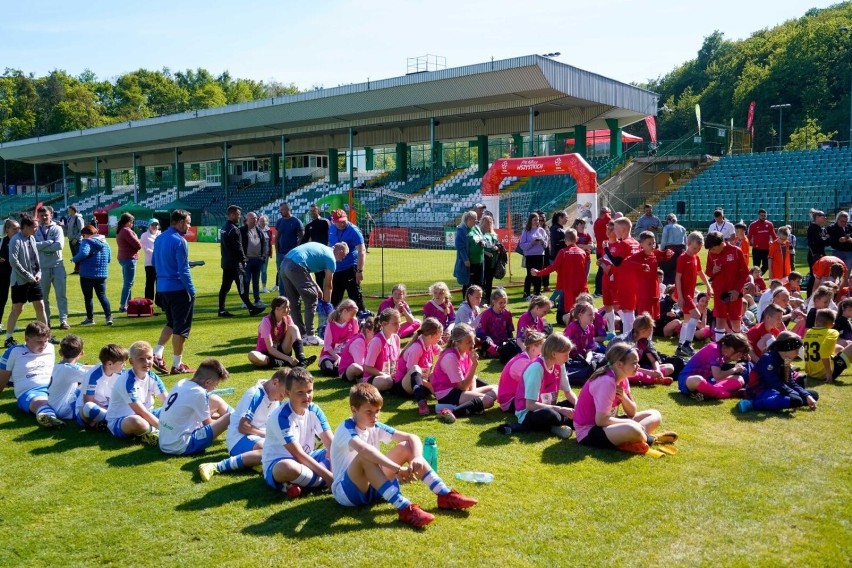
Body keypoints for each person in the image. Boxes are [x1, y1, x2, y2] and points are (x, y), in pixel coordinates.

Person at [329, 382, 478, 528]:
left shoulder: (373, 425)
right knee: (364, 456)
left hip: (374, 487)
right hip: (346, 494)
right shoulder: (346, 429)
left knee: (406, 447)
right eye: (369, 412)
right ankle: (404, 508)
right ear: (354, 410)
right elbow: (365, 451)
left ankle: (444, 494)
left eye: (377, 411)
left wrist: (418, 456)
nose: (375, 416)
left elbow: (411, 437)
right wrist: (397, 469)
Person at [572, 342, 675, 456]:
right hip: (589, 431)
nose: (638, 366)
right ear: (619, 364)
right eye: (634, 363)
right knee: (632, 428)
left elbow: (632, 412)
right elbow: (600, 421)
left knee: (655, 415)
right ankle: (651, 439)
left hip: (607, 423)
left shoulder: (623, 378)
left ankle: (633, 440)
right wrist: (630, 422)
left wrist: (624, 397)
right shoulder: (606, 381)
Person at [200, 368, 287, 482]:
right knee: (269, 449)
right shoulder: (255, 395)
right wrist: (267, 434)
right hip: (238, 439)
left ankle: (255, 463)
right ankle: (216, 466)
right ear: (275, 383)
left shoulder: (275, 396)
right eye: (283, 394)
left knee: (279, 448)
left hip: (255, 438)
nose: (284, 397)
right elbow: (243, 427)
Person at [261, 367, 334, 497]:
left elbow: (330, 443)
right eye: (300, 392)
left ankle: (305, 482)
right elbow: (298, 454)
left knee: (344, 448)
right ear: (288, 393)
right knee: (287, 467)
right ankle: (325, 479)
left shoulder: (315, 410)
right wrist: (329, 476)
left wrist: (336, 457)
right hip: (279, 464)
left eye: (309, 391)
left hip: (309, 457)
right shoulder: (281, 417)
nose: (307, 397)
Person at [152, 209, 196, 376]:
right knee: (181, 328)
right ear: (179, 222)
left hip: (163, 287)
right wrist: (191, 290)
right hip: (178, 289)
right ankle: (177, 364)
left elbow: (156, 262)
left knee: (171, 323)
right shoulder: (179, 241)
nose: (189, 225)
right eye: (188, 222)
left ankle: (157, 352)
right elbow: (183, 270)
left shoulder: (160, 238)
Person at [280, 241, 349, 346]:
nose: (343, 259)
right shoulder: (331, 259)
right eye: (344, 255)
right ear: (339, 251)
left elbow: (306, 268)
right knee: (311, 298)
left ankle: (301, 335)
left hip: (284, 264)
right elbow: (328, 286)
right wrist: (326, 306)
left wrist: (316, 286)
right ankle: (311, 335)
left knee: (294, 301)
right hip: (296, 266)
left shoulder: (322, 249)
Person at [158, 358, 231, 456]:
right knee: (231, 417)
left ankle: (245, 424)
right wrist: (223, 421)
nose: (215, 388)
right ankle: (245, 426)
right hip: (181, 445)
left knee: (215, 399)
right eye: (215, 385)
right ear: (208, 382)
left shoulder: (182, 382)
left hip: (165, 441)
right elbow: (208, 425)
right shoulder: (199, 393)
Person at [430, 323, 498, 423]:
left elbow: (470, 378)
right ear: (458, 343)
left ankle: (470, 405)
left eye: (473, 340)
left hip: (459, 390)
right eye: (468, 342)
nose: (473, 344)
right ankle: (450, 410)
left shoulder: (466, 352)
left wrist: (473, 392)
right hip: (447, 394)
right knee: (488, 401)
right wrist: (474, 365)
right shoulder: (451, 357)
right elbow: (463, 387)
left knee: (496, 388)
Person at [738, 332, 819, 413]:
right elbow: (773, 382)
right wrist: (793, 393)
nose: (798, 353)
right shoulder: (768, 358)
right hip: (758, 391)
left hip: (776, 390)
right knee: (796, 400)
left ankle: (787, 402)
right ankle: (751, 404)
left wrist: (806, 395)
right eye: (796, 350)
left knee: (813, 395)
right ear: (786, 348)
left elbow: (789, 381)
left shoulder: (786, 360)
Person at [514, 334, 576, 438]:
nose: (568, 358)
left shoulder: (560, 365)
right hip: (529, 413)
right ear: (554, 354)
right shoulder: (537, 368)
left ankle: (562, 424)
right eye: (565, 354)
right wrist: (561, 409)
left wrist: (579, 406)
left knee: (575, 405)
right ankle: (572, 422)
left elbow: (568, 392)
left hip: (549, 407)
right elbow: (530, 405)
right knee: (550, 414)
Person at [106, 340, 168, 445]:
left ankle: (151, 431)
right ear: (131, 361)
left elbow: (167, 401)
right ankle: (152, 433)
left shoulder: (153, 377)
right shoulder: (127, 381)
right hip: (122, 420)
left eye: (149, 358)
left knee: (176, 410)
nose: (147, 362)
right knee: (137, 422)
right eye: (141, 359)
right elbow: (141, 412)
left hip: (148, 414)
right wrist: (167, 431)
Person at [0, 321, 60, 426]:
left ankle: (94, 416)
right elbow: (2, 378)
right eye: (39, 341)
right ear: (27, 339)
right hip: (30, 392)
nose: (44, 345)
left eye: (45, 341)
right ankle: (49, 418)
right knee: (39, 402)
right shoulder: (13, 352)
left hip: (53, 387)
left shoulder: (50, 347)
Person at [6, 214, 48, 346]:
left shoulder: (32, 238)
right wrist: (28, 276)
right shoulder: (15, 240)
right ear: (27, 226)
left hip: (34, 280)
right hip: (20, 281)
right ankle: (8, 338)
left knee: (40, 306)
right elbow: (13, 261)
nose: (37, 229)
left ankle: (46, 336)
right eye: (35, 226)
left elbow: (36, 259)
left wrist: (39, 272)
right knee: (18, 309)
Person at [533, 228, 588, 324]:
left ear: (565, 240)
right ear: (577, 239)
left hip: (568, 287)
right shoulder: (583, 252)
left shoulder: (563, 252)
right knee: (582, 309)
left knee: (570, 313)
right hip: (581, 286)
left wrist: (538, 273)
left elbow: (553, 267)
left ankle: (573, 329)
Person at [218, 205, 263, 318]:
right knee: (242, 287)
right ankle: (251, 308)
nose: (239, 216)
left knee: (225, 287)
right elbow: (238, 247)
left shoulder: (224, 227)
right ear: (232, 214)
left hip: (226, 263)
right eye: (238, 214)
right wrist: (243, 260)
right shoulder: (234, 229)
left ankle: (221, 310)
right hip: (235, 264)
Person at [247, 296, 316, 368]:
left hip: (282, 350)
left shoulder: (288, 318)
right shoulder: (266, 321)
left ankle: (301, 359)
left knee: (294, 328)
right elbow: (270, 349)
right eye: (286, 307)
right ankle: (284, 362)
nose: (289, 309)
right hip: (266, 354)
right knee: (252, 355)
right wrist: (289, 359)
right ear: (277, 308)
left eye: (289, 307)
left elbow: (294, 335)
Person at [677, 333, 751, 400]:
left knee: (739, 379)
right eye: (739, 354)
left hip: (707, 381)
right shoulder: (714, 349)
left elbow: (726, 360)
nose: (739, 357)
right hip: (687, 380)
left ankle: (707, 392)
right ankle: (727, 394)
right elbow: (717, 376)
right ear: (731, 349)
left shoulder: (723, 351)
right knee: (697, 379)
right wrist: (734, 369)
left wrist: (743, 357)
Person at [705, 230, 749, 339]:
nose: (712, 251)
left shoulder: (736, 251)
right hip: (720, 293)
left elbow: (744, 273)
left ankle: (737, 349)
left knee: (735, 321)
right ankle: (719, 348)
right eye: (710, 249)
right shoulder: (711, 254)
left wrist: (737, 290)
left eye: (714, 249)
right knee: (720, 320)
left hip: (734, 293)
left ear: (721, 243)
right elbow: (708, 271)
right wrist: (713, 271)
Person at [395, 317, 443, 415]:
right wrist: (429, 385)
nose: (440, 338)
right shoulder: (416, 348)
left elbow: (443, 354)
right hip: (405, 386)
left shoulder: (430, 344)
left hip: (422, 382)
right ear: (431, 335)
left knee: (439, 371)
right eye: (439, 335)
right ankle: (421, 402)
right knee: (415, 368)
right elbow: (412, 373)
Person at [75, 343, 129, 428]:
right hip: (92, 408)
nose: (124, 365)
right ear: (109, 364)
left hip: (109, 407)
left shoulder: (121, 374)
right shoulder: (94, 375)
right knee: (89, 407)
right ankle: (112, 422)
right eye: (122, 363)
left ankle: (101, 423)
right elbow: (88, 401)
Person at [33, 206, 69, 332]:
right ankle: (46, 321)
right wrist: (49, 242)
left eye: (46, 215)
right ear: (38, 216)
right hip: (42, 268)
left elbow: (59, 245)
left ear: (51, 215)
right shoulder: (35, 230)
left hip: (58, 266)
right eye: (41, 215)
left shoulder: (57, 228)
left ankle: (63, 320)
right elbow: (33, 246)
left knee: (61, 295)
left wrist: (42, 246)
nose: (44, 217)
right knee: (44, 298)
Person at [623, 231, 673, 320]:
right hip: (644, 293)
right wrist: (641, 266)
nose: (653, 246)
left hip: (654, 290)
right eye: (649, 244)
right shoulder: (639, 256)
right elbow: (626, 263)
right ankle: (642, 333)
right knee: (644, 318)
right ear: (641, 244)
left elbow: (663, 255)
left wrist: (668, 252)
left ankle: (650, 333)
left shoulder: (655, 253)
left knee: (653, 317)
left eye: (654, 243)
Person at [40, 334, 86, 425]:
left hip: (53, 406)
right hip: (65, 410)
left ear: (60, 352)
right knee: (91, 385)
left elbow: (81, 367)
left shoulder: (59, 366)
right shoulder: (70, 370)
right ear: (81, 353)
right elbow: (94, 376)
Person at [72, 225, 112, 327]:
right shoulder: (105, 243)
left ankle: (90, 318)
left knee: (88, 297)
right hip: (101, 274)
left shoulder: (87, 242)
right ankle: (108, 317)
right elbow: (109, 259)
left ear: (86, 234)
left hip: (87, 274)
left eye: (83, 235)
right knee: (102, 296)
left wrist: (74, 259)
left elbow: (83, 254)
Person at [606, 217, 641, 333]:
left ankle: (628, 339)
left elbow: (617, 262)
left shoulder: (624, 243)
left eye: (616, 228)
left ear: (624, 229)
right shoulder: (636, 243)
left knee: (627, 311)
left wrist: (606, 250)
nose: (614, 232)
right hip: (635, 280)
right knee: (630, 310)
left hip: (626, 281)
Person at [497, 331, 545, 412]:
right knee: (539, 406)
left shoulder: (527, 358)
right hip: (509, 401)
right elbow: (534, 383)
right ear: (533, 347)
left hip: (515, 397)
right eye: (543, 345)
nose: (545, 348)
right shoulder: (522, 362)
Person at [802, 308, 852, 383]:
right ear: (832, 324)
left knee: (838, 347)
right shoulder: (832, 332)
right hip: (824, 374)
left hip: (811, 373)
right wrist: (829, 373)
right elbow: (824, 351)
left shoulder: (809, 332)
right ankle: (829, 370)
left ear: (815, 321)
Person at [362, 308, 402, 392]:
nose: (398, 326)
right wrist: (385, 375)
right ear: (384, 324)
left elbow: (398, 361)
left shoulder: (396, 338)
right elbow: (367, 367)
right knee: (387, 381)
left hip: (391, 375)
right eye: (395, 324)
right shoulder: (377, 341)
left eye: (399, 323)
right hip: (375, 377)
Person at [318, 299, 360, 377]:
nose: (353, 317)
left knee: (355, 367)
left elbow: (355, 340)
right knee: (328, 370)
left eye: (355, 314)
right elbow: (327, 345)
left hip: (345, 355)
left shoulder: (353, 321)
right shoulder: (331, 324)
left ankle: (343, 370)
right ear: (344, 311)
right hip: (330, 355)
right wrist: (337, 357)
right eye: (352, 314)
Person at [476, 288, 514, 359]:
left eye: (505, 302)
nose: (503, 305)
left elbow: (510, 330)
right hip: (492, 342)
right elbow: (479, 332)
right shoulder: (487, 314)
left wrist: (511, 341)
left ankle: (498, 352)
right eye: (501, 303)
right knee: (487, 344)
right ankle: (497, 352)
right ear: (493, 302)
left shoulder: (507, 313)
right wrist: (487, 338)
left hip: (504, 342)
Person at [300, 204, 330, 291]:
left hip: (326, 253)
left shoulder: (325, 222)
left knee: (328, 275)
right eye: (311, 211)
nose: (312, 212)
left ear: (318, 211)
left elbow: (330, 237)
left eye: (314, 210)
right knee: (318, 276)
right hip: (316, 254)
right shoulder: (309, 226)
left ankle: (329, 296)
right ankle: (320, 297)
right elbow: (304, 240)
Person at [518, 213, 549, 299]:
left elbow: (546, 245)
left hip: (540, 255)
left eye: (538, 220)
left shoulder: (541, 230)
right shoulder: (526, 231)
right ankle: (526, 292)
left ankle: (537, 292)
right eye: (535, 220)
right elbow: (522, 245)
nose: (537, 222)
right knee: (530, 274)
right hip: (530, 255)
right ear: (530, 220)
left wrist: (542, 242)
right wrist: (532, 243)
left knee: (539, 274)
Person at [275, 202, 304, 292]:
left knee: (293, 275)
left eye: (282, 210)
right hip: (281, 253)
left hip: (292, 254)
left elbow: (301, 237)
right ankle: (282, 297)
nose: (281, 212)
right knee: (281, 276)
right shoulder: (279, 222)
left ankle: (293, 296)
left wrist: (296, 250)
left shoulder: (296, 221)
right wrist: (277, 251)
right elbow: (277, 237)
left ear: (288, 209)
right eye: (280, 210)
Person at [240, 211, 267, 308]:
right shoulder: (242, 231)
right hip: (247, 261)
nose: (255, 220)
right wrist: (243, 258)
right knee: (246, 281)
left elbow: (264, 244)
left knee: (256, 281)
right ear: (247, 220)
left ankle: (257, 300)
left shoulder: (259, 231)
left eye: (256, 218)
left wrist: (263, 256)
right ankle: (245, 301)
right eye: (253, 218)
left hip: (257, 260)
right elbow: (239, 246)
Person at [116, 212, 142, 313]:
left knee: (128, 282)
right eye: (131, 222)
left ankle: (128, 303)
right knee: (128, 283)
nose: (132, 224)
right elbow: (137, 245)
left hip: (123, 258)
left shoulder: (121, 231)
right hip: (129, 258)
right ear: (129, 221)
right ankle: (123, 305)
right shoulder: (127, 231)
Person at [338, 316, 375, 383]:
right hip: (347, 371)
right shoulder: (359, 341)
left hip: (363, 369)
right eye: (375, 333)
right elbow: (360, 363)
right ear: (367, 331)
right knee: (356, 367)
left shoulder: (369, 341)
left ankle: (363, 379)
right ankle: (363, 379)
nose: (377, 336)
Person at [0, 220, 20, 333]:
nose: (17, 231)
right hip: (3, 275)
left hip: (17, 274)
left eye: (18, 228)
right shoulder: (2, 241)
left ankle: (13, 323)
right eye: (14, 228)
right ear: (7, 230)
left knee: (16, 300)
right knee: (1, 299)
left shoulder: (21, 241)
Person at [806, 209, 830, 295]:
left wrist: (824, 239)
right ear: (817, 217)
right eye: (823, 216)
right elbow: (817, 241)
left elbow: (826, 241)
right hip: (814, 255)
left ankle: (817, 294)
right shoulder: (812, 228)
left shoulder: (821, 229)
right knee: (814, 276)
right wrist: (825, 239)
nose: (825, 218)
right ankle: (810, 296)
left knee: (820, 276)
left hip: (821, 254)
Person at [747, 208, 776, 274]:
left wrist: (778, 243)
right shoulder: (753, 225)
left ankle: (758, 276)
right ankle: (754, 279)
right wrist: (746, 245)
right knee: (756, 266)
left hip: (766, 249)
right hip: (756, 249)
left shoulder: (769, 224)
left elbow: (774, 236)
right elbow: (749, 237)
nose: (764, 217)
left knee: (766, 265)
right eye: (762, 215)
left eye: (765, 215)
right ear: (758, 216)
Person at [660, 213, 686, 285]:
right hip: (680, 250)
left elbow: (664, 241)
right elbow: (685, 242)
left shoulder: (667, 227)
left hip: (670, 249)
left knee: (667, 269)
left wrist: (661, 250)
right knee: (678, 268)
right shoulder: (682, 228)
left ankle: (668, 284)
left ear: (668, 220)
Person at [452, 211, 475, 295]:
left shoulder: (474, 228)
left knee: (472, 281)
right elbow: (460, 246)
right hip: (466, 261)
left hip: (474, 260)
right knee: (466, 281)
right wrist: (465, 259)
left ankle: (472, 299)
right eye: (474, 219)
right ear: (469, 219)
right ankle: (465, 300)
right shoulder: (461, 230)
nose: (476, 221)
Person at [479, 215, 500, 303]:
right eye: (487, 222)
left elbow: (498, 245)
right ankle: (481, 297)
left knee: (489, 280)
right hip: (483, 260)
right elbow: (478, 247)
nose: (489, 224)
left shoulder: (494, 234)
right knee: (482, 280)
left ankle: (488, 298)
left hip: (492, 260)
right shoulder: (480, 233)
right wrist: (485, 252)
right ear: (483, 223)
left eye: (490, 222)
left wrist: (497, 248)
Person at [593, 206, 612, 296]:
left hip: (602, 250)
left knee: (603, 271)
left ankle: (600, 290)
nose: (610, 215)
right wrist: (607, 213)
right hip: (602, 251)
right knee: (601, 271)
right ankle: (598, 291)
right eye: (609, 213)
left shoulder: (598, 222)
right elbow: (610, 220)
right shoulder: (601, 222)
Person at [140, 219, 160, 301]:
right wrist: (158, 254)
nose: (154, 227)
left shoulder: (160, 234)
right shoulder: (144, 235)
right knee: (150, 283)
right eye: (153, 225)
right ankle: (148, 302)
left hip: (159, 263)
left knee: (160, 283)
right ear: (149, 225)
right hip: (150, 263)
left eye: (156, 225)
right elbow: (146, 249)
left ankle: (160, 302)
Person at [66, 205, 84, 275]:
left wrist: (76, 239)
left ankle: (81, 270)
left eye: (69, 210)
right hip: (71, 240)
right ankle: (77, 270)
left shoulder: (78, 219)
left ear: (73, 210)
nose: (68, 211)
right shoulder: (70, 218)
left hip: (77, 241)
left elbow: (82, 230)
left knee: (78, 255)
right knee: (74, 256)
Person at [257, 214, 273, 293]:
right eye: (261, 221)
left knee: (264, 271)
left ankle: (264, 287)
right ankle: (255, 287)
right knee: (256, 271)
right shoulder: (255, 230)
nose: (263, 222)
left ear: (267, 222)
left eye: (264, 221)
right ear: (258, 221)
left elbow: (269, 243)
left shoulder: (269, 230)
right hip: (256, 255)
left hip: (265, 255)